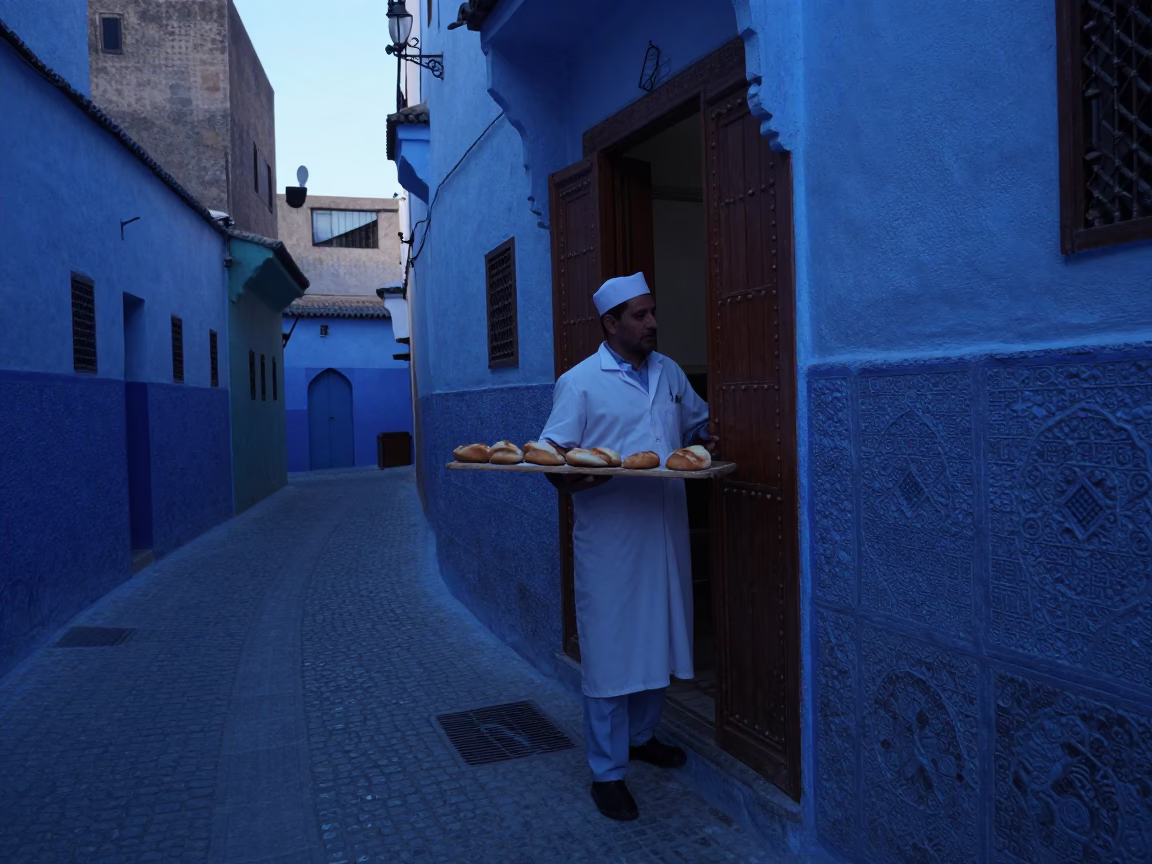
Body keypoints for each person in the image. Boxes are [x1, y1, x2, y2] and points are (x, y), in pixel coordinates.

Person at [538, 272, 717, 822]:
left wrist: (709, 443)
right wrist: (569, 481)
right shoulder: (581, 381)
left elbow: (698, 427)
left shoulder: (669, 375)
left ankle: (642, 737)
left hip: (664, 534)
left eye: (653, 312)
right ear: (610, 324)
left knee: (657, 641)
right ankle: (606, 772)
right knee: (613, 653)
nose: (653, 324)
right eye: (639, 316)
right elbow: (550, 453)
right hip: (610, 542)